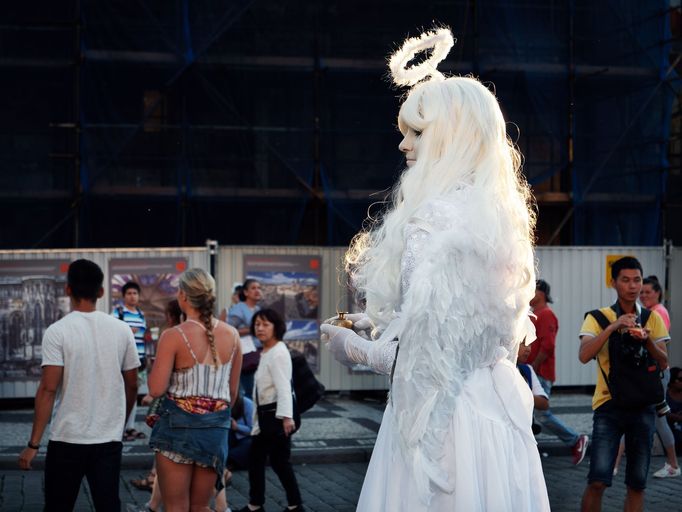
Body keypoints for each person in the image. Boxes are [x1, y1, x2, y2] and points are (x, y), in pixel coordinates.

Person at [320, 28, 549, 511]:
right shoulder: (495, 220)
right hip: (496, 424)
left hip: (440, 429)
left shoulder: (433, 220)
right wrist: (387, 325)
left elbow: (423, 363)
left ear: (453, 138)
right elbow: (469, 335)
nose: (403, 145)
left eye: (417, 132)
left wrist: (355, 347)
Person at [18, 259, 139, 511]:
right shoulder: (122, 330)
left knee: (58, 506)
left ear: (68, 290)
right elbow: (132, 385)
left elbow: (48, 389)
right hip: (108, 439)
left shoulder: (57, 331)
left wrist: (33, 445)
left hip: (67, 438)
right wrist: (121, 423)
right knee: (108, 506)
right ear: (101, 292)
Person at [578, 256, 670, 512]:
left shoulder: (652, 318)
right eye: (625, 280)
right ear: (613, 282)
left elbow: (664, 362)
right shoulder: (598, 317)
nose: (632, 286)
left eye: (637, 280)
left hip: (643, 407)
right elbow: (584, 355)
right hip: (609, 406)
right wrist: (613, 327)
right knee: (598, 480)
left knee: (637, 483)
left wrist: (648, 340)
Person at [148, 268, 242, 512]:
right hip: (214, 430)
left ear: (183, 296)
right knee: (200, 507)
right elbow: (232, 395)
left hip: (176, 428)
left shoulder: (173, 336)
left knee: (176, 507)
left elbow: (156, 389)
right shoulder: (232, 335)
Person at [237, 308, 303, 512]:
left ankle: (260, 505)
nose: (260, 328)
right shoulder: (267, 351)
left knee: (270, 461)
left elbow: (284, 387)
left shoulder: (278, 352)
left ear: (276, 327)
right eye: (257, 324)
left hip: (276, 417)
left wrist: (286, 419)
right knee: (272, 461)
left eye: (266, 324)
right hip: (267, 416)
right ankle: (284, 505)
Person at [529, 279, 589, 464]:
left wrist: (532, 369)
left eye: (532, 289)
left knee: (541, 414)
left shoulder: (546, 314)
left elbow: (547, 346)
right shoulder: (535, 313)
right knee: (530, 413)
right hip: (534, 372)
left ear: (542, 293)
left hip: (540, 373)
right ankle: (530, 453)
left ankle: (575, 440)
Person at [113, 280, 148, 441]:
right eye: (129, 293)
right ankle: (120, 429)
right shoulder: (117, 313)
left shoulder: (141, 314)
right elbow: (111, 334)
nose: (132, 296)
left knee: (134, 394)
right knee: (121, 394)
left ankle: (130, 427)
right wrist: (127, 332)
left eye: (135, 293)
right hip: (122, 361)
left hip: (139, 361)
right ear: (123, 296)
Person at [227, 278, 263, 397]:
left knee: (257, 390)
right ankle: (247, 414)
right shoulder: (239, 308)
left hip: (258, 354)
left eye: (259, 288)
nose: (257, 290)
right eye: (253, 288)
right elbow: (228, 331)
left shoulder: (258, 309)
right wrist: (252, 329)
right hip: (245, 356)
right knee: (249, 391)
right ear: (246, 292)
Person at [667, 367, 682, 448]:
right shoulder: (665, 395)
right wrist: (677, 417)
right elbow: (662, 413)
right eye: (680, 379)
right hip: (670, 429)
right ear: (672, 380)